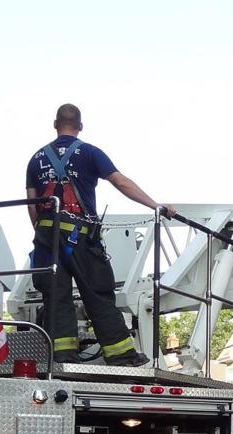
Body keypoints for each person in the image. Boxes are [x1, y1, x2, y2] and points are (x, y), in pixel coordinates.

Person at [25, 103, 176, 366]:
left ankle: (63, 356)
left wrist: (44, 238)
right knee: (97, 293)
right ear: (80, 125)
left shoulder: (36, 159)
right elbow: (120, 182)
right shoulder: (90, 153)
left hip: (47, 240)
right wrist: (156, 206)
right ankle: (121, 355)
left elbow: (32, 204)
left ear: (55, 124)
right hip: (80, 235)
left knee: (55, 296)